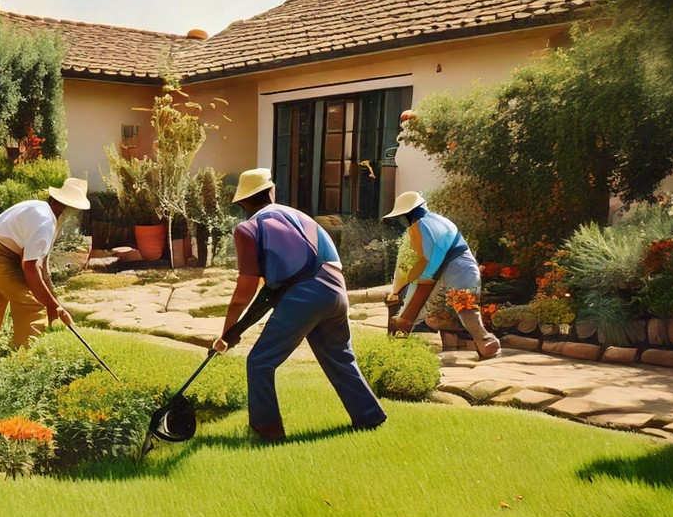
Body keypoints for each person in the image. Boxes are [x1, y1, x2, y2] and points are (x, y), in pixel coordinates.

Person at [214, 168, 387, 441]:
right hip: (335, 290)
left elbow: (245, 289)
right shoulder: (297, 216)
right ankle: (370, 417)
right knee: (340, 357)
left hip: (305, 294)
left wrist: (227, 331)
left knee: (259, 362)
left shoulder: (248, 229)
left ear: (242, 204)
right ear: (271, 192)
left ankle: (266, 432)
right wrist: (236, 330)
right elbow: (272, 293)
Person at [0, 177, 91, 382]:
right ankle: (26, 370)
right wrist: (48, 305)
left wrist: (56, 304)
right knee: (31, 304)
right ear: (67, 207)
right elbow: (30, 270)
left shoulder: (46, 215)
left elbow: (43, 269)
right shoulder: (45, 224)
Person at [384, 191, 501, 358]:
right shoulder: (424, 225)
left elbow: (432, 263)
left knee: (466, 307)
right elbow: (423, 262)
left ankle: (485, 341)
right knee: (416, 307)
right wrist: (404, 285)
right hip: (449, 271)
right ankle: (398, 343)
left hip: (460, 268)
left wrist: (416, 287)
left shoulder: (425, 225)